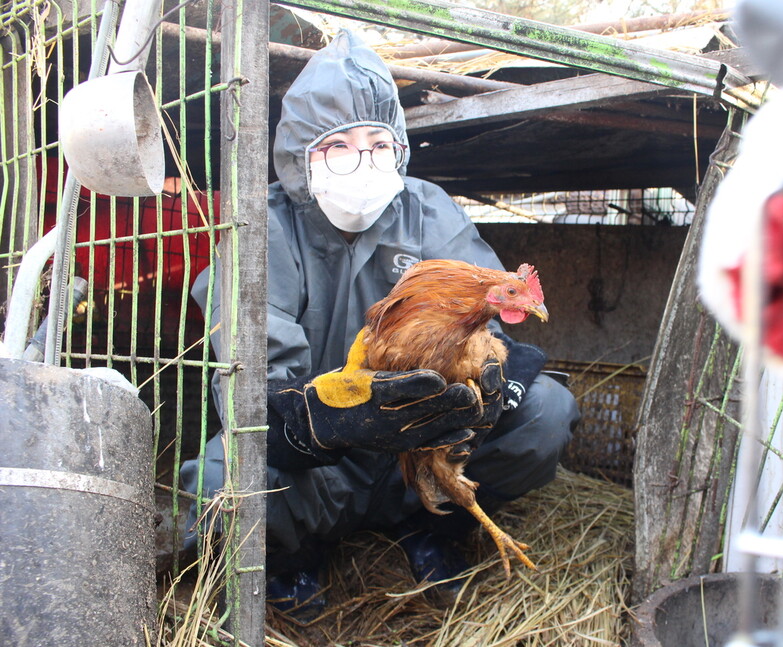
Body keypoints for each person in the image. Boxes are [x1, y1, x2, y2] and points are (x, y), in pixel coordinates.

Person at [180, 29, 579, 616]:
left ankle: (434, 527)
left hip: (425, 452)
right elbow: (254, 384)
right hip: (322, 464)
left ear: (398, 148)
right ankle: (292, 558)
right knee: (222, 484)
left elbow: (491, 311)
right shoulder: (261, 230)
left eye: (377, 141)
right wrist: (331, 421)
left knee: (545, 413)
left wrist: (491, 384)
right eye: (336, 145)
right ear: (299, 154)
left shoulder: (426, 208)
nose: (361, 160)